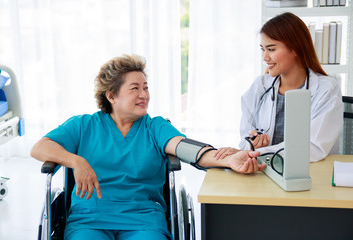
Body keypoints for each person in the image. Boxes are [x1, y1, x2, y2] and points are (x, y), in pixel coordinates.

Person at [31, 54, 265, 240]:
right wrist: (76, 161)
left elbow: (182, 147)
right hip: (89, 219)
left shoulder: (154, 126)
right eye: (135, 88)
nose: (144, 94)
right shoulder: (83, 125)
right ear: (112, 95)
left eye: (146, 87)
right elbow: (40, 147)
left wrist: (225, 159)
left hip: (143, 219)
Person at [215, 12, 343, 163]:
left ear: (295, 49)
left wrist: (258, 152)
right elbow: (244, 142)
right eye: (262, 49)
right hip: (263, 170)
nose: (264, 57)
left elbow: (313, 148)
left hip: (308, 173)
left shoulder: (326, 90)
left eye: (271, 49)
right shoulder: (260, 86)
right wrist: (252, 143)